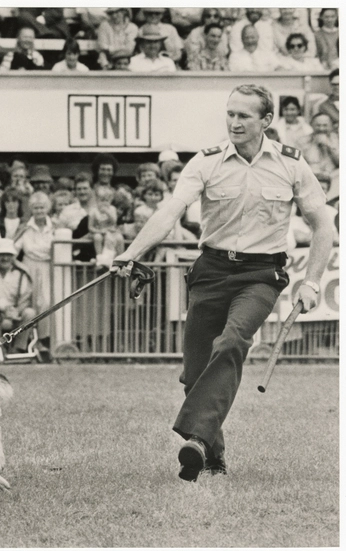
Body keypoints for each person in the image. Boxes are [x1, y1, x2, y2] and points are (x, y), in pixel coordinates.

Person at [112, 84, 334, 482]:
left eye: (244, 115)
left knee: (232, 341)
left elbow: (323, 225)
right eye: (230, 113)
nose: (234, 122)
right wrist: (132, 252)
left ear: (266, 121)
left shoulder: (292, 164)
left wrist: (312, 282)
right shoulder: (205, 161)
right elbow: (170, 211)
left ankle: (195, 438)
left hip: (261, 275)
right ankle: (211, 455)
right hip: (211, 271)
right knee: (195, 372)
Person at [0, 238, 37, 354]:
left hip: (16, 313)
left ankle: (18, 349)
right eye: (1, 255)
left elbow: (26, 298)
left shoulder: (20, 274)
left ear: (12, 257)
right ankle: (0, 348)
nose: (5, 258)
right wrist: (1, 309)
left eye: (8, 255)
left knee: (30, 313)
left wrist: (16, 311)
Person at [13, 191, 55, 346]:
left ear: (47, 209)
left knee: (45, 302)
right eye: (36, 208)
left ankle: (44, 339)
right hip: (28, 267)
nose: (39, 211)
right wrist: (19, 268)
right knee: (27, 303)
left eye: (42, 208)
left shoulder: (54, 227)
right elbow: (14, 250)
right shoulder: (25, 228)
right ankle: (24, 342)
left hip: (47, 267)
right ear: (31, 209)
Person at [300, 112, 340, 188]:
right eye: (318, 125)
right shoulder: (302, 141)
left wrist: (328, 146)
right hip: (311, 180)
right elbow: (298, 165)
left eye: (325, 125)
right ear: (311, 125)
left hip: (335, 181)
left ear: (331, 126)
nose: (321, 129)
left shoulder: (339, 140)